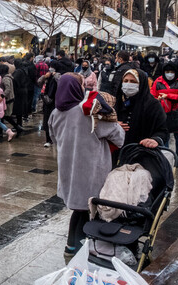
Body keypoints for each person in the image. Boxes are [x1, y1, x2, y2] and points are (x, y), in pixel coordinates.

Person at [49, 74, 125, 255]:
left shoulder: (55, 113)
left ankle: (71, 245)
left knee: (78, 209)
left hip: (68, 169)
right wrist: (117, 125)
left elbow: (53, 137)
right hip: (91, 169)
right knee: (89, 209)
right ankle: (82, 248)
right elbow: (118, 137)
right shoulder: (88, 112)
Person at [115, 69, 167, 152]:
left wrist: (155, 140)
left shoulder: (152, 104)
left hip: (142, 151)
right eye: (125, 81)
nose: (128, 84)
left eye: (133, 81)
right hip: (116, 151)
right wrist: (112, 125)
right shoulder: (116, 102)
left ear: (141, 84)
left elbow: (162, 130)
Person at [151, 63, 178, 164]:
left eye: (171, 72)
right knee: (165, 136)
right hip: (163, 112)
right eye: (167, 72)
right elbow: (152, 95)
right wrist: (157, 99)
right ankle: (167, 158)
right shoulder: (158, 81)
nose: (169, 74)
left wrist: (167, 95)